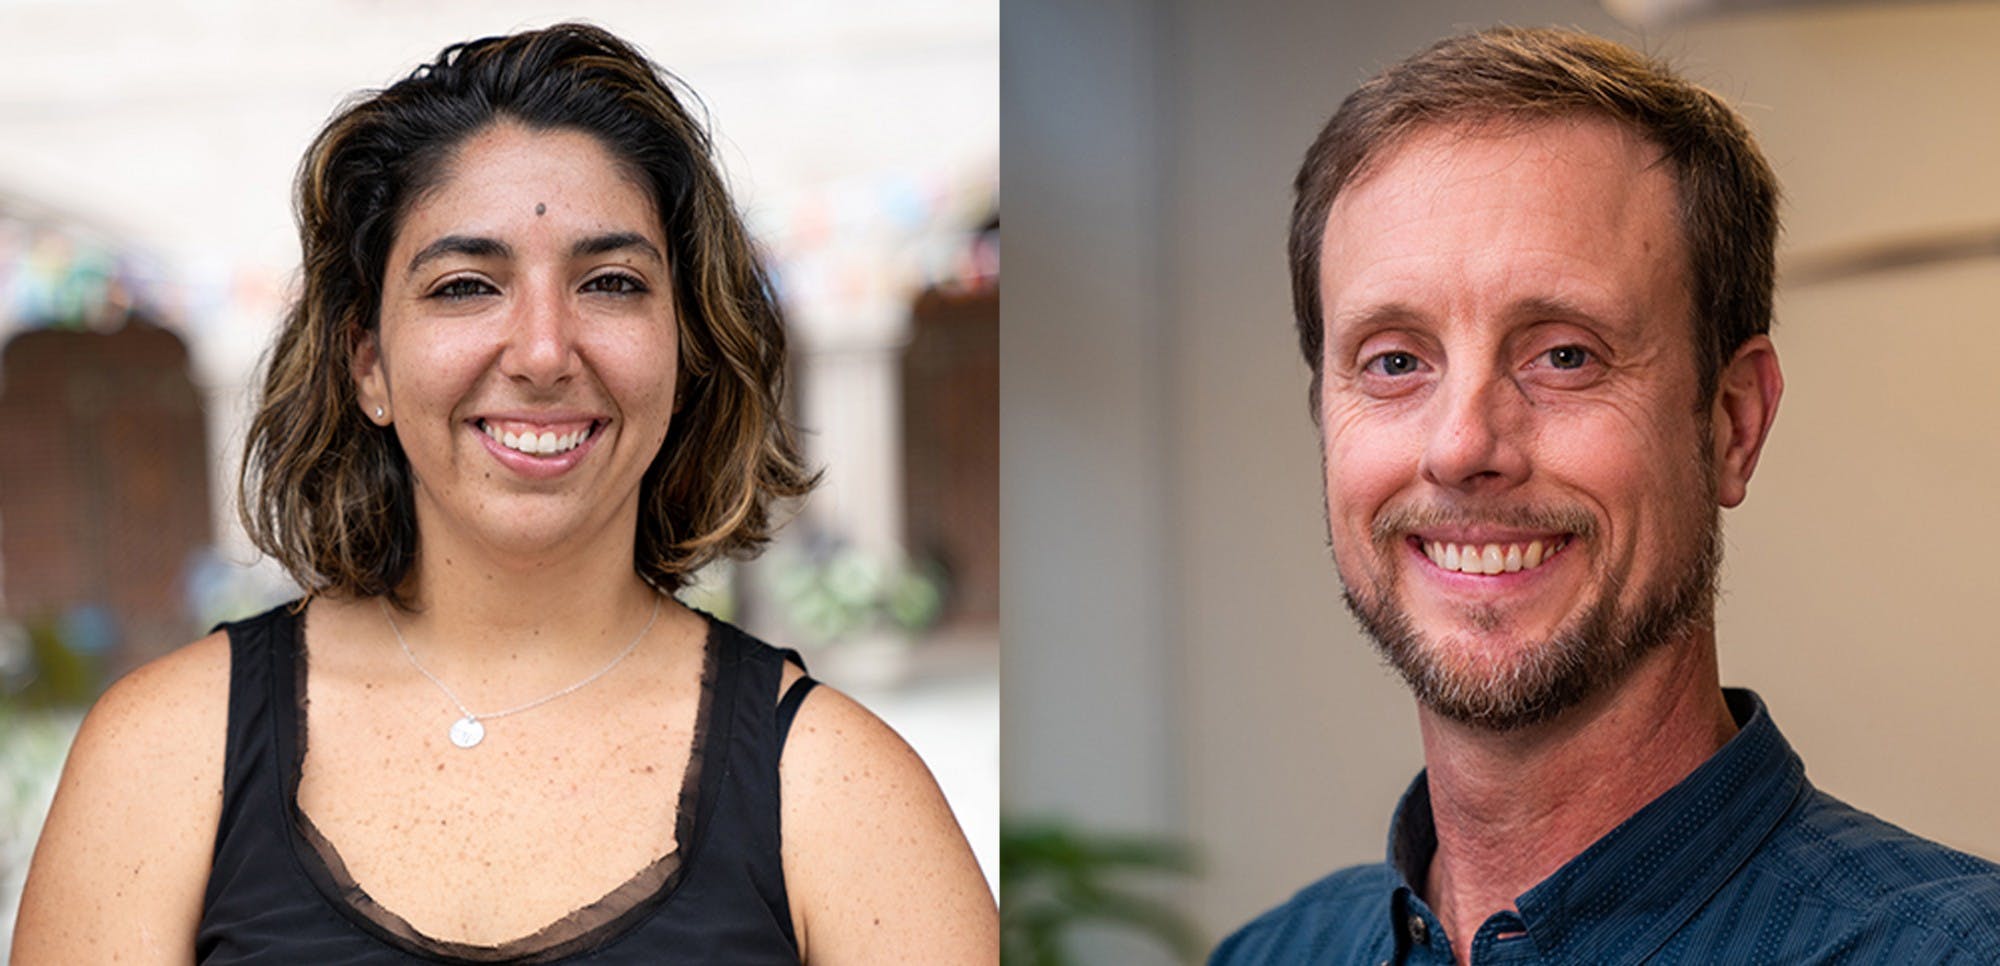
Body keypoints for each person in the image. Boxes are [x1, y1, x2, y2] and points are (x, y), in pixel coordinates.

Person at [12, 23, 996, 964]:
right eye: (464, 286)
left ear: (685, 348)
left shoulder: (842, 791)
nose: (540, 351)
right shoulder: (161, 759)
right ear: (368, 365)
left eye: (610, 281)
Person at [1212, 26, 2000, 965]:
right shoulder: (1271, 954)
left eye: (1565, 355)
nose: (1463, 445)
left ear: (1732, 423)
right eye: (1394, 361)